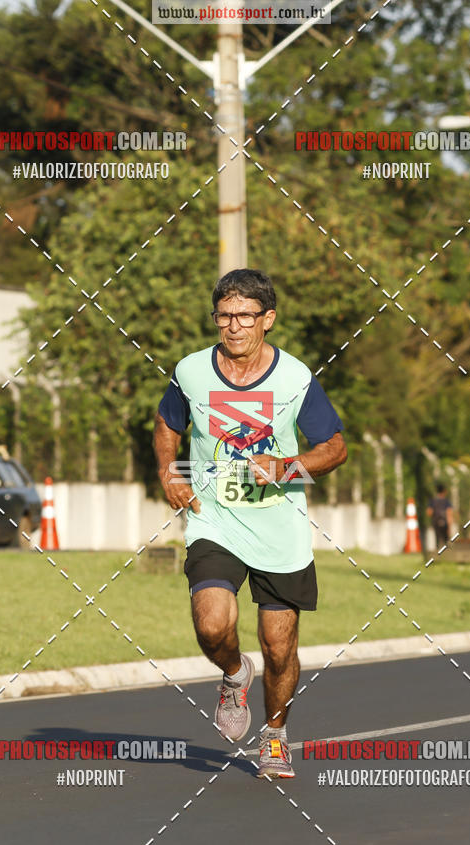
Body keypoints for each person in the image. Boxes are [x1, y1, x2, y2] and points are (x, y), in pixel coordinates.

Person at [153, 269, 347, 778]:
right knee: (213, 622)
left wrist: (287, 468)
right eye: (224, 315)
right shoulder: (191, 371)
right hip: (214, 520)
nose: (233, 326)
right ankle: (234, 674)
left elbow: (335, 448)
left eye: (244, 316)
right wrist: (170, 473)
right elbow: (168, 423)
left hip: (279, 526)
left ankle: (276, 736)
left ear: (268, 320)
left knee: (279, 647)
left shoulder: (295, 378)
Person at [426, 483, 454, 550]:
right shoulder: (446, 501)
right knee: (446, 540)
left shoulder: (433, 501)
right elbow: (449, 513)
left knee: (437, 540)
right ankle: (447, 555)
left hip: (436, 522)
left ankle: (438, 554)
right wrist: (450, 526)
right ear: (444, 491)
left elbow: (429, 512)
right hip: (445, 523)